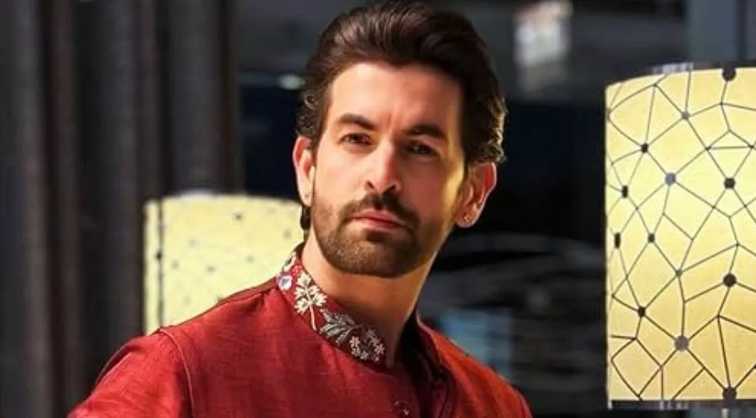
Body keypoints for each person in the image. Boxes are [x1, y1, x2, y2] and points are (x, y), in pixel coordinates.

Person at [69, 1, 532, 417]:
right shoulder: (181, 374)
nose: (383, 175)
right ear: (307, 169)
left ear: (473, 192)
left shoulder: (494, 405)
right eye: (357, 139)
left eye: (420, 148)